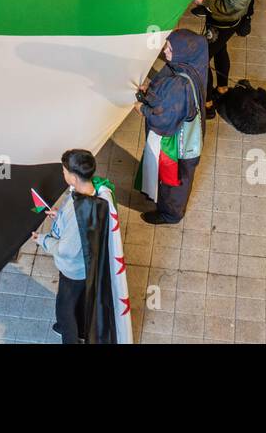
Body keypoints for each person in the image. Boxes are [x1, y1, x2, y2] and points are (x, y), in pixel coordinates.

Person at [30, 148, 130, 344]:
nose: (63, 173)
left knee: (65, 309)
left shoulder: (79, 212)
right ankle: (83, 329)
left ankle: (71, 338)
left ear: (74, 177)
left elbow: (66, 250)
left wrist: (42, 240)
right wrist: (59, 215)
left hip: (74, 269)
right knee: (82, 298)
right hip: (88, 264)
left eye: (64, 171)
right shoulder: (96, 193)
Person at [136, 29, 208, 225]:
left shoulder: (179, 84)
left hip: (178, 146)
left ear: (183, 52)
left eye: (169, 48)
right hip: (187, 138)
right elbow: (167, 95)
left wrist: (143, 109)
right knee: (175, 177)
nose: (165, 51)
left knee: (174, 180)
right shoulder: (190, 65)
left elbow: (164, 118)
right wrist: (150, 91)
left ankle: (171, 214)